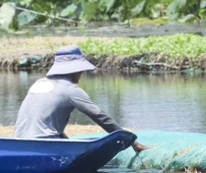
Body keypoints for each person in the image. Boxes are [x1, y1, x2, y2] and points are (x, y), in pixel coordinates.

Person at [14, 45, 147, 152]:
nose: (81, 74)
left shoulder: (39, 83)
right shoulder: (71, 90)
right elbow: (101, 117)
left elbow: (43, 124)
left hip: (19, 144)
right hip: (47, 147)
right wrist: (131, 141)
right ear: (75, 70)